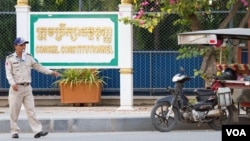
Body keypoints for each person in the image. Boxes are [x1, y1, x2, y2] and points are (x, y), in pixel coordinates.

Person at [5, 37, 60, 138]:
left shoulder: (28, 57)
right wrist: (12, 83)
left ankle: (37, 131)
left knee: (31, 110)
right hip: (16, 88)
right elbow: (8, 73)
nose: (23, 47)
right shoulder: (10, 59)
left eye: (24, 45)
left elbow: (39, 67)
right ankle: (14, 131)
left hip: (27, 88)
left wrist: (51, 72)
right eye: (21, 45)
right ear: (15, 46)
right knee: (14, 110)